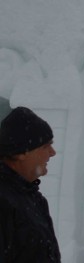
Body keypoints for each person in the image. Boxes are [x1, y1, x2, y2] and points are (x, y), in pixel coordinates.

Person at [0, 106, 61, 262]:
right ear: (21, 153)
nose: (52, 152)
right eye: (45, 146)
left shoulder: (34, 198)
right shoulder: (4, 203)